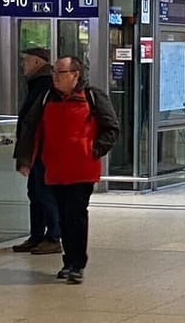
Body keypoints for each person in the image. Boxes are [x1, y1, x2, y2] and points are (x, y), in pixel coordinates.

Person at [20, 56, 119, 283]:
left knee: (76, 215)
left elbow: (111, 127)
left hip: (81, 169)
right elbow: (31, 126)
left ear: (75, 75)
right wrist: (26, 159)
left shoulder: (92, 96)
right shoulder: (47, 97)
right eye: (54, 72)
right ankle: (69, 260)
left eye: (60, 73)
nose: (55, 77)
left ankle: (76, 263)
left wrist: (93, 150)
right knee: (63, 216)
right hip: (54, 168)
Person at [11, 47, 63, 255]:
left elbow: (32, 122)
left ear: (36, 63)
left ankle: (52, 236)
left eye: (26, 61)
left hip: (43, 149)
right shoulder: (37, 85)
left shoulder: (44, 86)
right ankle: (37, 235)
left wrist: (25, 155)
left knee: (44, 192)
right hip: (38, 149)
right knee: (35, 192)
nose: (23, 65)